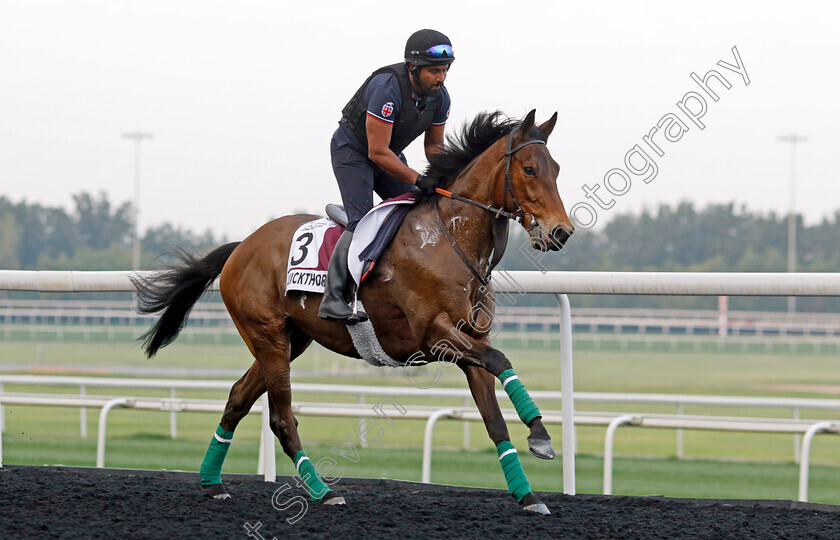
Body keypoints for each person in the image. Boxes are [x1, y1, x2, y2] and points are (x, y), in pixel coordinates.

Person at [318, 29, 455, 324]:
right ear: (412, 69)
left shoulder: (440, 97)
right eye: (434, 71)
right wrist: (419, 179)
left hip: (388, 156)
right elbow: (376, 152)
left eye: (444, 70)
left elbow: (434, 146)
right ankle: (335, 298)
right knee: (364, 222)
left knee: (418, 213)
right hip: (353, 152)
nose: (441, 78)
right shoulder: (386, 88)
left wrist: (446, 174)